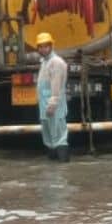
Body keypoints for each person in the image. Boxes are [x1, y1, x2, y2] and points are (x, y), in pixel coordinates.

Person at [36, 32, 69, 162]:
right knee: (49, 139)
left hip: (54, 109)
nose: (43, 49)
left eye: (45, 46)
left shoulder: (56, 63)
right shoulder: (45, 62)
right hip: (45, 109)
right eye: (40, 46)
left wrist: (53, 104)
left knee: (60, 138)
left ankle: (63, 167)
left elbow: (56, 86)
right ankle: (53, 171)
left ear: (51, 46)